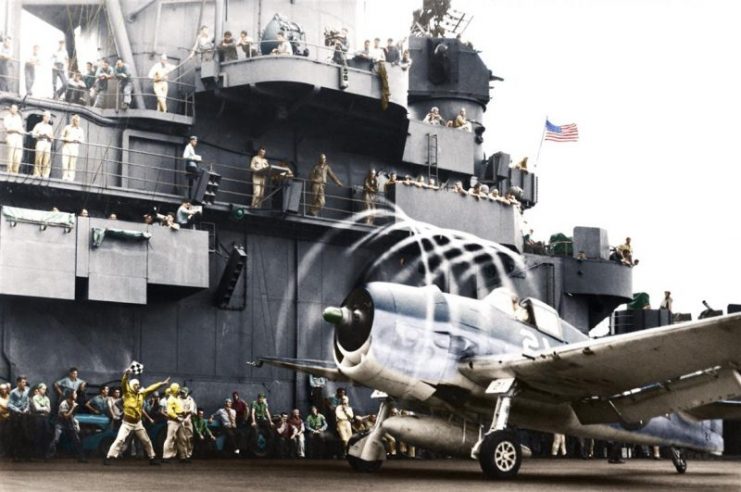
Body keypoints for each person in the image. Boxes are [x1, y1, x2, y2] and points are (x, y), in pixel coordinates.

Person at [105, 368, 170, 465]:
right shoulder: (127, 394)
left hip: (138, 423)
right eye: (135, 385)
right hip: (127, 423)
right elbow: (124, 383)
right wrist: (126, 374)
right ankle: (109, 457)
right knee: (120, 440)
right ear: (131, 386)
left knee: (146, 440)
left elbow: (151, 388)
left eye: (138, 385)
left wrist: (161, 384)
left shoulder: (141, 395)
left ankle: (152, 458)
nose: (138, 386)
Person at [56, 390, 86, 462]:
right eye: (74, 393)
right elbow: (65, 416)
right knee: (55, 440)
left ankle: (81, 458)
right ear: (70, 395)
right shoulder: (63, 404)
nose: (76, 395)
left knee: (77, 440)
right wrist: (73, 407)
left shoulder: (74, 403)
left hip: (69, 423)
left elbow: (72, 416)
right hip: (61, 423)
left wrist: (76, 424)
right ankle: (47, 457)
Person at [162, 383, 188, 463]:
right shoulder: (170, 399)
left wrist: (183, 412)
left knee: (182, 438)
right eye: (178, 388)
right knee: (170, 438)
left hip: (179, 419)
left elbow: (179, 408)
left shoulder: (178, 398)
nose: (179, 389)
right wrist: (177, 418)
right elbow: (169, 412)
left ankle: (183, 457)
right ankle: (165, 457)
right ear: (175, 390)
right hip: (173, 421)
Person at [8, 376, 31, 461]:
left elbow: (28, 401)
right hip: (15, 416)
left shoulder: (28, 390)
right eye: (22, 382)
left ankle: (26, 456)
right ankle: (15, 456)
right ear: (18, 383)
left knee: (26, 435)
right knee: (16, 435)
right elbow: (9, 404)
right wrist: (17, 410)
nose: (24, 384)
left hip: (24, 415)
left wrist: (26, 409)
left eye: (25, 382)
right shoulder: (13, 392)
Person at [29, 383, 52, 459]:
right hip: (37, 418)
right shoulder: (35, 397)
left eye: (45, 389)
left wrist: (43, 408)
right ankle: (36, 454)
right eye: (42, 389)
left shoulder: (46, 398)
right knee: (38, 435)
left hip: (45, 418)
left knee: (46, 435)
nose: (44, 390)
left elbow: (49, 410)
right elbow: (36, 408)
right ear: (38, 389)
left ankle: (45, 454)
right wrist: (44, 408)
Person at [60, 114, 84, 181]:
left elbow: (82, 140)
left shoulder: (80, 130)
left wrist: (77, 140)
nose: (77, 122)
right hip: (67, 146)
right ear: (73, 121)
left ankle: (71, 178)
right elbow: (61, 137)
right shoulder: (67, 127)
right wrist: (68, 139)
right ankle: (65, 177)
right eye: (76, 121)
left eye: (78, 121)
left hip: (75, 147)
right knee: (65, 162)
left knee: (72, 163)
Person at [31, 111, 54, 178]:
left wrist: (49, 137)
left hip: (47, 143)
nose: (48, 118)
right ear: (43, 117)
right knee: (38, 158)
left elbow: (52, 138)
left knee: (47, 159)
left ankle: (45, 174)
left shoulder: (50, 127)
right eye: (47, 117)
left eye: (49, 117)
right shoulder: (38, 125)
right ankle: (37, 173)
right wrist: (40, 135)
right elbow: (33, 134)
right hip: (40, 142)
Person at [4, 104, 24, 174]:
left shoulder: (18, 117)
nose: (14, 110)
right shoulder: (7, 118)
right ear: (10, 109)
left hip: (18, 138)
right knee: (11, 154)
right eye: (13, 108)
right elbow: (8, 129)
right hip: (11, 136)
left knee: (18, 155)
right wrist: (16, 130)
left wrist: (20, 131)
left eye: (16, 109)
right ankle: (9, 171)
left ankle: (15, 171)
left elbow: (21, 128)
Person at [183, 136, 203, 200]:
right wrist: (194, 158)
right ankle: (197, 194)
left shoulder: (191, 148)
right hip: (190, 166)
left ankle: (190, 196)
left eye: (196, 141)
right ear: (191, 141)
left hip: (192, 166)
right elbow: (185, 156)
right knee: (200, 175)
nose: (195, 142)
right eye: (195, 141)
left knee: (191, 182)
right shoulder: (188, 147)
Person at [180, 387, 197, 460]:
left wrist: (187, 418)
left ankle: (189, 454)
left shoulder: (191, 400)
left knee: (189, 438)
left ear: (187, 393)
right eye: (181, 392)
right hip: (179, 419)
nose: (182, 394)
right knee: (181, 438)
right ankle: (183, 455)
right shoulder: (178, 398)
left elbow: (192, 411)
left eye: (183, 393)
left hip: (188, 420)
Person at [0, 383, 11, 458]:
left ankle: (8, 452)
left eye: (5, 389)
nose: (3, 390)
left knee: (9, 436)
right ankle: (2, 452)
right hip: (1, 420)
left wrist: (4, 408)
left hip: (9, 420)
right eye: (1, 389)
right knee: (1, 437)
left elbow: (10, 407)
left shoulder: (10, 397)